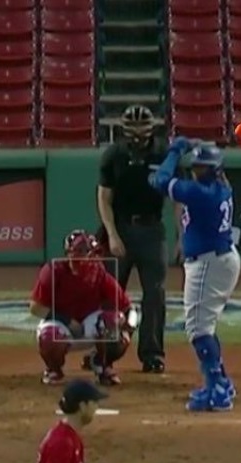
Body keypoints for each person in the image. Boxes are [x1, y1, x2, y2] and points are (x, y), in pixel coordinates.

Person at [148, 138, 240, 412]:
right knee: (205, 326)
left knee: (198, 330)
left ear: (213, 169)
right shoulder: (220, 187)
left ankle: (217, 390)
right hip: (218, 258)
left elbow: (159, 181)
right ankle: (220, 381)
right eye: (196, 166)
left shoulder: (202, 194)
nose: (197, 171)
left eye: (202, 167)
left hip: (209, 263)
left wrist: (175, 151)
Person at [96, 104, 170, 375]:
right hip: (121, 228)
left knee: (155, 294)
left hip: (152, 229)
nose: (138, 132)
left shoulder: (164, 154)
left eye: (143, 126)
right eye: (133, 126)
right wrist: (112, 234)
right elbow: (104, 198)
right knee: (109, 294)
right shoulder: (114, 154)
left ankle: (152, 354)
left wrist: (183, 236)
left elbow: (178, 198)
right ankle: (103, 351)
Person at [30, 229, 139, 386]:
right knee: (49, 337)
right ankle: (53, 369)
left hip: (90, 326)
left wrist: (129, 327)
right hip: (61, 326)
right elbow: (35, 308)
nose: (90, 258)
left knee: (114, 323)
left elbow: (128, 307)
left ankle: (101, 365)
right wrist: (67, 320)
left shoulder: (99, 273)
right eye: (83, 252)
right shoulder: (53, 271)